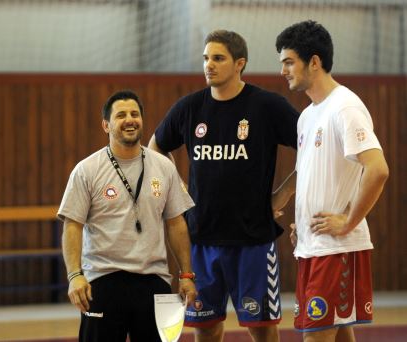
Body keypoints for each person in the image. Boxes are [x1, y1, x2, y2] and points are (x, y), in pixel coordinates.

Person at [148, 30, 299, 342]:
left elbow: (313, 147)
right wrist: (175, 189)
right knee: (204, 326)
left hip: (253, 239)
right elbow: (155, 148)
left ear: (239, 63)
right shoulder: (189, 108)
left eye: (218, 58)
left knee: (261, 327)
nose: (209, 65)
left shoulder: (266, 106)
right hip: (201, 238)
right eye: (206, 58)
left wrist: (283, 192)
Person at [275, 20, 389, 342]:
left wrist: (348, 222)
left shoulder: (345, 107)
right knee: (339, 336)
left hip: (336, 248)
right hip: (314, 246)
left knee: (315, 337)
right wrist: (294, 211)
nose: (283, 70)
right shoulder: (308, 115)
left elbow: (378, 169)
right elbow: (309, 171)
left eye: (288, 62)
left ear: (314, 61)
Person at [57, 90, 197, 342]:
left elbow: (176, 224)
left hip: (153, 281)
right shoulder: (86, 170)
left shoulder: (164, 167)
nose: (129, 119)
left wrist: (186, 275)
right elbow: (72, 226)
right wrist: (75, 275)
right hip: (102, 281)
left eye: (135, 114)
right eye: (120, 115)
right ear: (106, 125)